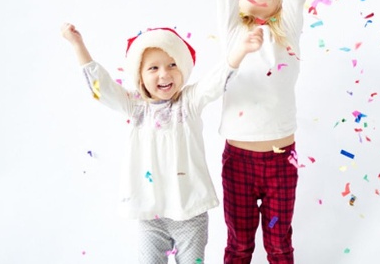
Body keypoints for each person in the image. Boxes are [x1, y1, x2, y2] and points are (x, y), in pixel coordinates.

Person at [61, 22, 263, 264]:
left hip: (191, 214)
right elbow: (101, 88)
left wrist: (240, 50)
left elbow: (216, 81)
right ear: (140, 77)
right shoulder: (135, 106)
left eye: (172, 65)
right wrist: (78, 45)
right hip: (151, 217)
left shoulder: (189, 101)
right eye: (153, 68)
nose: (164, 74)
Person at [215, 0, 309, 264]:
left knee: (279, 246)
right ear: (237, 2)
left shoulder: (286, 32)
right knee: (238, 246)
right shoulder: (232, 29)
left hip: (280, 158)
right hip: (237, 158)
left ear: (279, 6)